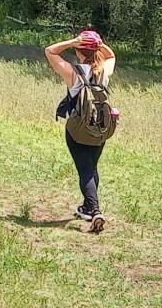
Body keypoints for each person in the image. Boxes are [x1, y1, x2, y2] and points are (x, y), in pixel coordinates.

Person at [44, 29, 117, 233]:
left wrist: (74, 41)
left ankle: (95, 211)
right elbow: (111, 55)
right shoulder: (103, 71)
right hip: (100, 128)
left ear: (78, 50)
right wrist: (98, 43)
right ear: (96, 50)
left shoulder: (73, 72)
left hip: (77, 130)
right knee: (92, 168)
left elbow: (50, 51)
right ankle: (87, 207)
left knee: (84, 171)